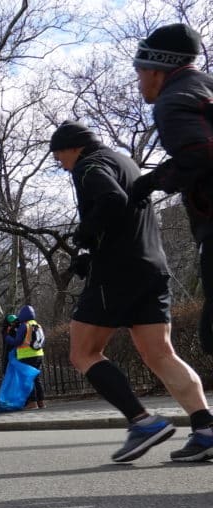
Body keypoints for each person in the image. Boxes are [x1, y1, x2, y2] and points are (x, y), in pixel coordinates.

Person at [52, 119, 213, 462]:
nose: (60, 164)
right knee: (160, 354)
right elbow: (125, 210)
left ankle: (142, 422)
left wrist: (85, 234)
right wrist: (90, 250)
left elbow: (111, 198)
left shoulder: (89, 165)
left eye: (59, 156)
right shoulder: (125, 160)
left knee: (83, 353)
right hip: (153, 267)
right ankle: (205, 429)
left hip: (117, 272)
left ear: (72, 147)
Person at [130, 23, 213, 355]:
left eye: (139, 73)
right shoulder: (205, 88)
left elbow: (201, 152)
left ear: (156, 69)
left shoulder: (173, 100)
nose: (138, 83)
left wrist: (152, 182)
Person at [4, 305, 45, 409]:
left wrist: (7, 337)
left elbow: (17, 342)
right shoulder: (37, 324)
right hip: (39, 354)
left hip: (27, 356)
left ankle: (32, 403)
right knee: (36, 379)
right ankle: (41, 402)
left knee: (27, 379)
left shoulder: (24, 325)